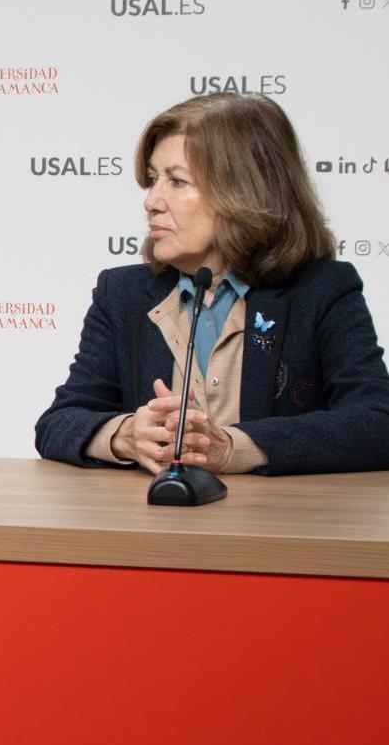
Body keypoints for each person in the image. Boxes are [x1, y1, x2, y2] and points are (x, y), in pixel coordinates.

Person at [35, 92, 389, 475]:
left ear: (244, 191)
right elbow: (59, 423)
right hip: (151, 528)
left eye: (177, 181)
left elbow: (377, 423)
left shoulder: (322, 290)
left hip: (276, 529)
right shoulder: (122, 293)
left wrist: (235, 447)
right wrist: (124, 435)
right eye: (153, 180)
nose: (151, 201)